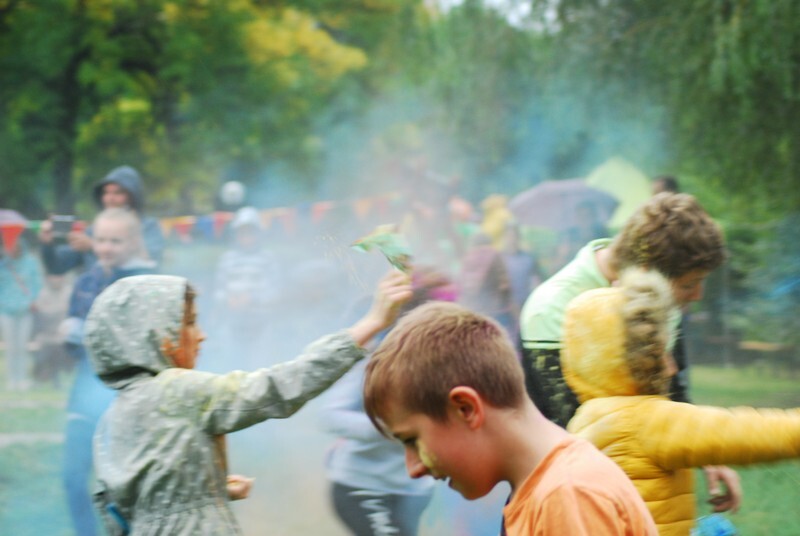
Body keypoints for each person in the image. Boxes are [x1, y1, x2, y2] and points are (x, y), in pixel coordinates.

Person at [85, 270, 411, 535]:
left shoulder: (111, 421)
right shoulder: (176, 390)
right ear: (157, 335)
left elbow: (120, 510)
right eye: (189, 322)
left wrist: (201, 489)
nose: (201, 335)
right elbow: (275, 388)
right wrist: (372, 322)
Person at [518, 192, 741, 508]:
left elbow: (672, 392)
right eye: (690, 283)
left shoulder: (664, 297)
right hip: (558, 501)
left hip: (637, 497)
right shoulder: (552, 307)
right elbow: (572, 427)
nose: (698, 295)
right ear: (647, 270)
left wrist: (707, 453)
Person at [362, 301, 658, 536]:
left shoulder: (567, 495)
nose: (412, 468)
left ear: (466, 408)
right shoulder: (545, 490)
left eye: (412, 440)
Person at [561, 268, 800, 536]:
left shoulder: (585, 420)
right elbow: (744, 432)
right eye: (661, 354)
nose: (672, 368)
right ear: (632, 362)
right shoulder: (641, 421)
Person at [320, 267, 451, 536]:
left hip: (414, 491)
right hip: (363, 487)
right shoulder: (377, 360)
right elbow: (331, 414)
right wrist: (390, 428)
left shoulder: (450, 364)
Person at [61, 207, 157, 536]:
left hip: (126, 403)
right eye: (100, 239)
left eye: (115, 241)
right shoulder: (86, 281)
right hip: (84, 396)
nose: (105, 247)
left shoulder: (147, 282)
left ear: (133, 242)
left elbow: (151, 346)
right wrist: (70, 335)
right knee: (72, 478)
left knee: (123, 492)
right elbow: (75, 342)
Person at [39, 165, 165, 275]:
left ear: (133, 196)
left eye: (118, 193)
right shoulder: (93, 230)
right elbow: (56, 267)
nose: (110, 198)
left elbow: (150, 263)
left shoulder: (148, 226)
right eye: (106, 192)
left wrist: (94, 246)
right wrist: (47, 244)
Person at [211, 206, 281, 369]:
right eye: (242, 232)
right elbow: (217, 290)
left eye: (250, 232)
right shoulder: (226, 259)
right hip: (232, 322)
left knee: (260, 368)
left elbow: (276, 292)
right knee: (231, 366)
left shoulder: (268, 258)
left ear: (258, 233)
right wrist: (228, 300)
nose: (246, 236)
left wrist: (252, 300)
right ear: (236, 234)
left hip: (261, 324)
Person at [0, 232, 43, 391]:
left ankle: (22, 378)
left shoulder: (30, 262)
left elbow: (37, 283)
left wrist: (33, 300)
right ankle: (12, 378)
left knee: (22, 346)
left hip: (25, 310)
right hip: (6, 310)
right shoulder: (3, 264)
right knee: (11, 347)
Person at [32, 273, 73, 387]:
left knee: (59, 352)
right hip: (45, 334)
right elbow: (41, 312)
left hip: (62, 334)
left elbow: (67, 312)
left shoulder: (68, 292)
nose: (56, 280)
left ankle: (58, 379)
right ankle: (38, 379)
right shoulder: (43, 292)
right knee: (42, 354)